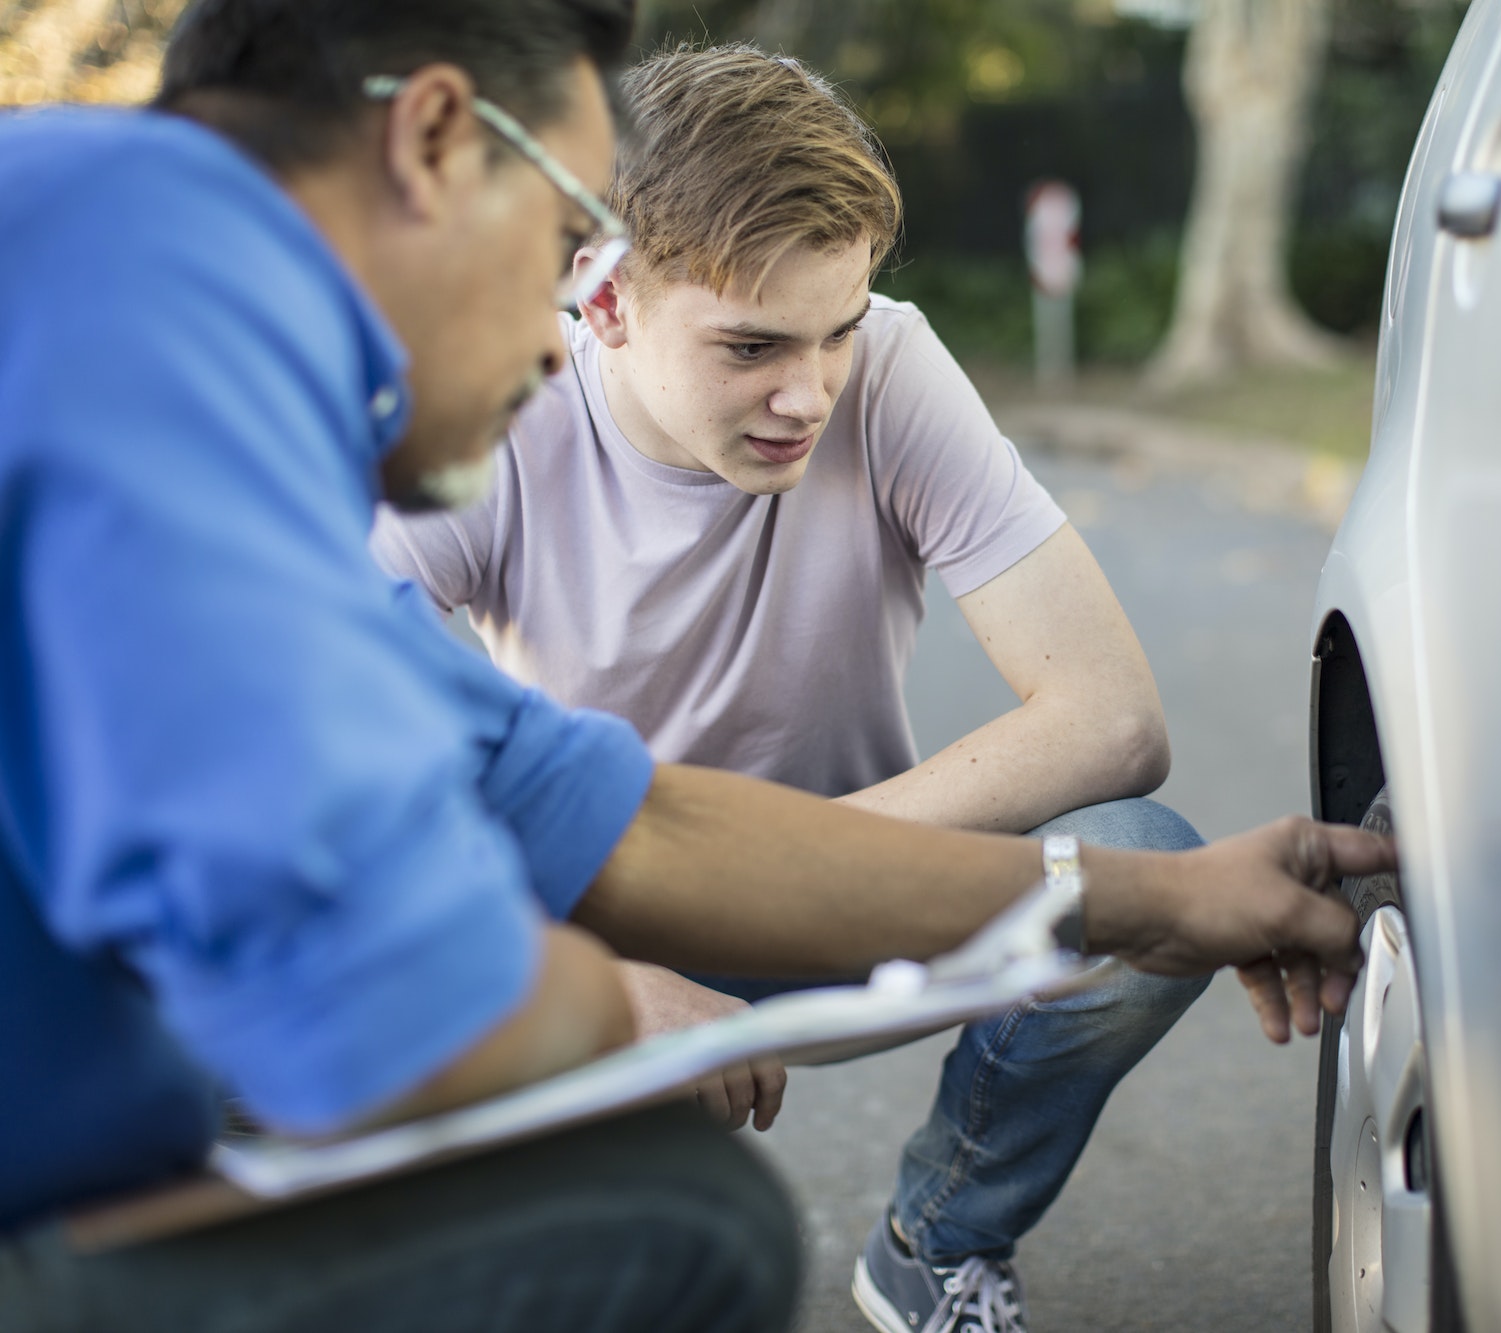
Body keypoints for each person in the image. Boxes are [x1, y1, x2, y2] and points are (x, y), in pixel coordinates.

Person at [0, 3, 1392, 1331]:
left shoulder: (150, 284)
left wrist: (1150, 894)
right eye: (564, 242)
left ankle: (937, 1236)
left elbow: (592, 808)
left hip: (112, 1144)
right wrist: (611, 996)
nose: (562, 315)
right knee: (676, 1222)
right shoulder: (143, 347)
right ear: (433, 144)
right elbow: (346, 974)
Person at [369, 45, 1209, 1330]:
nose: (806, 392)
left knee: (1141, 864)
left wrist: (784, 866)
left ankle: (939, 1239)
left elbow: (1112, 718)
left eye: (837, 331)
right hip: (596, 919)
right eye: (750, 345)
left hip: (852, 901)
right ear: (602, 304)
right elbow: (341, 773)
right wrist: (592, 965)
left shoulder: (891, 366)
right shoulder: (485, 410)